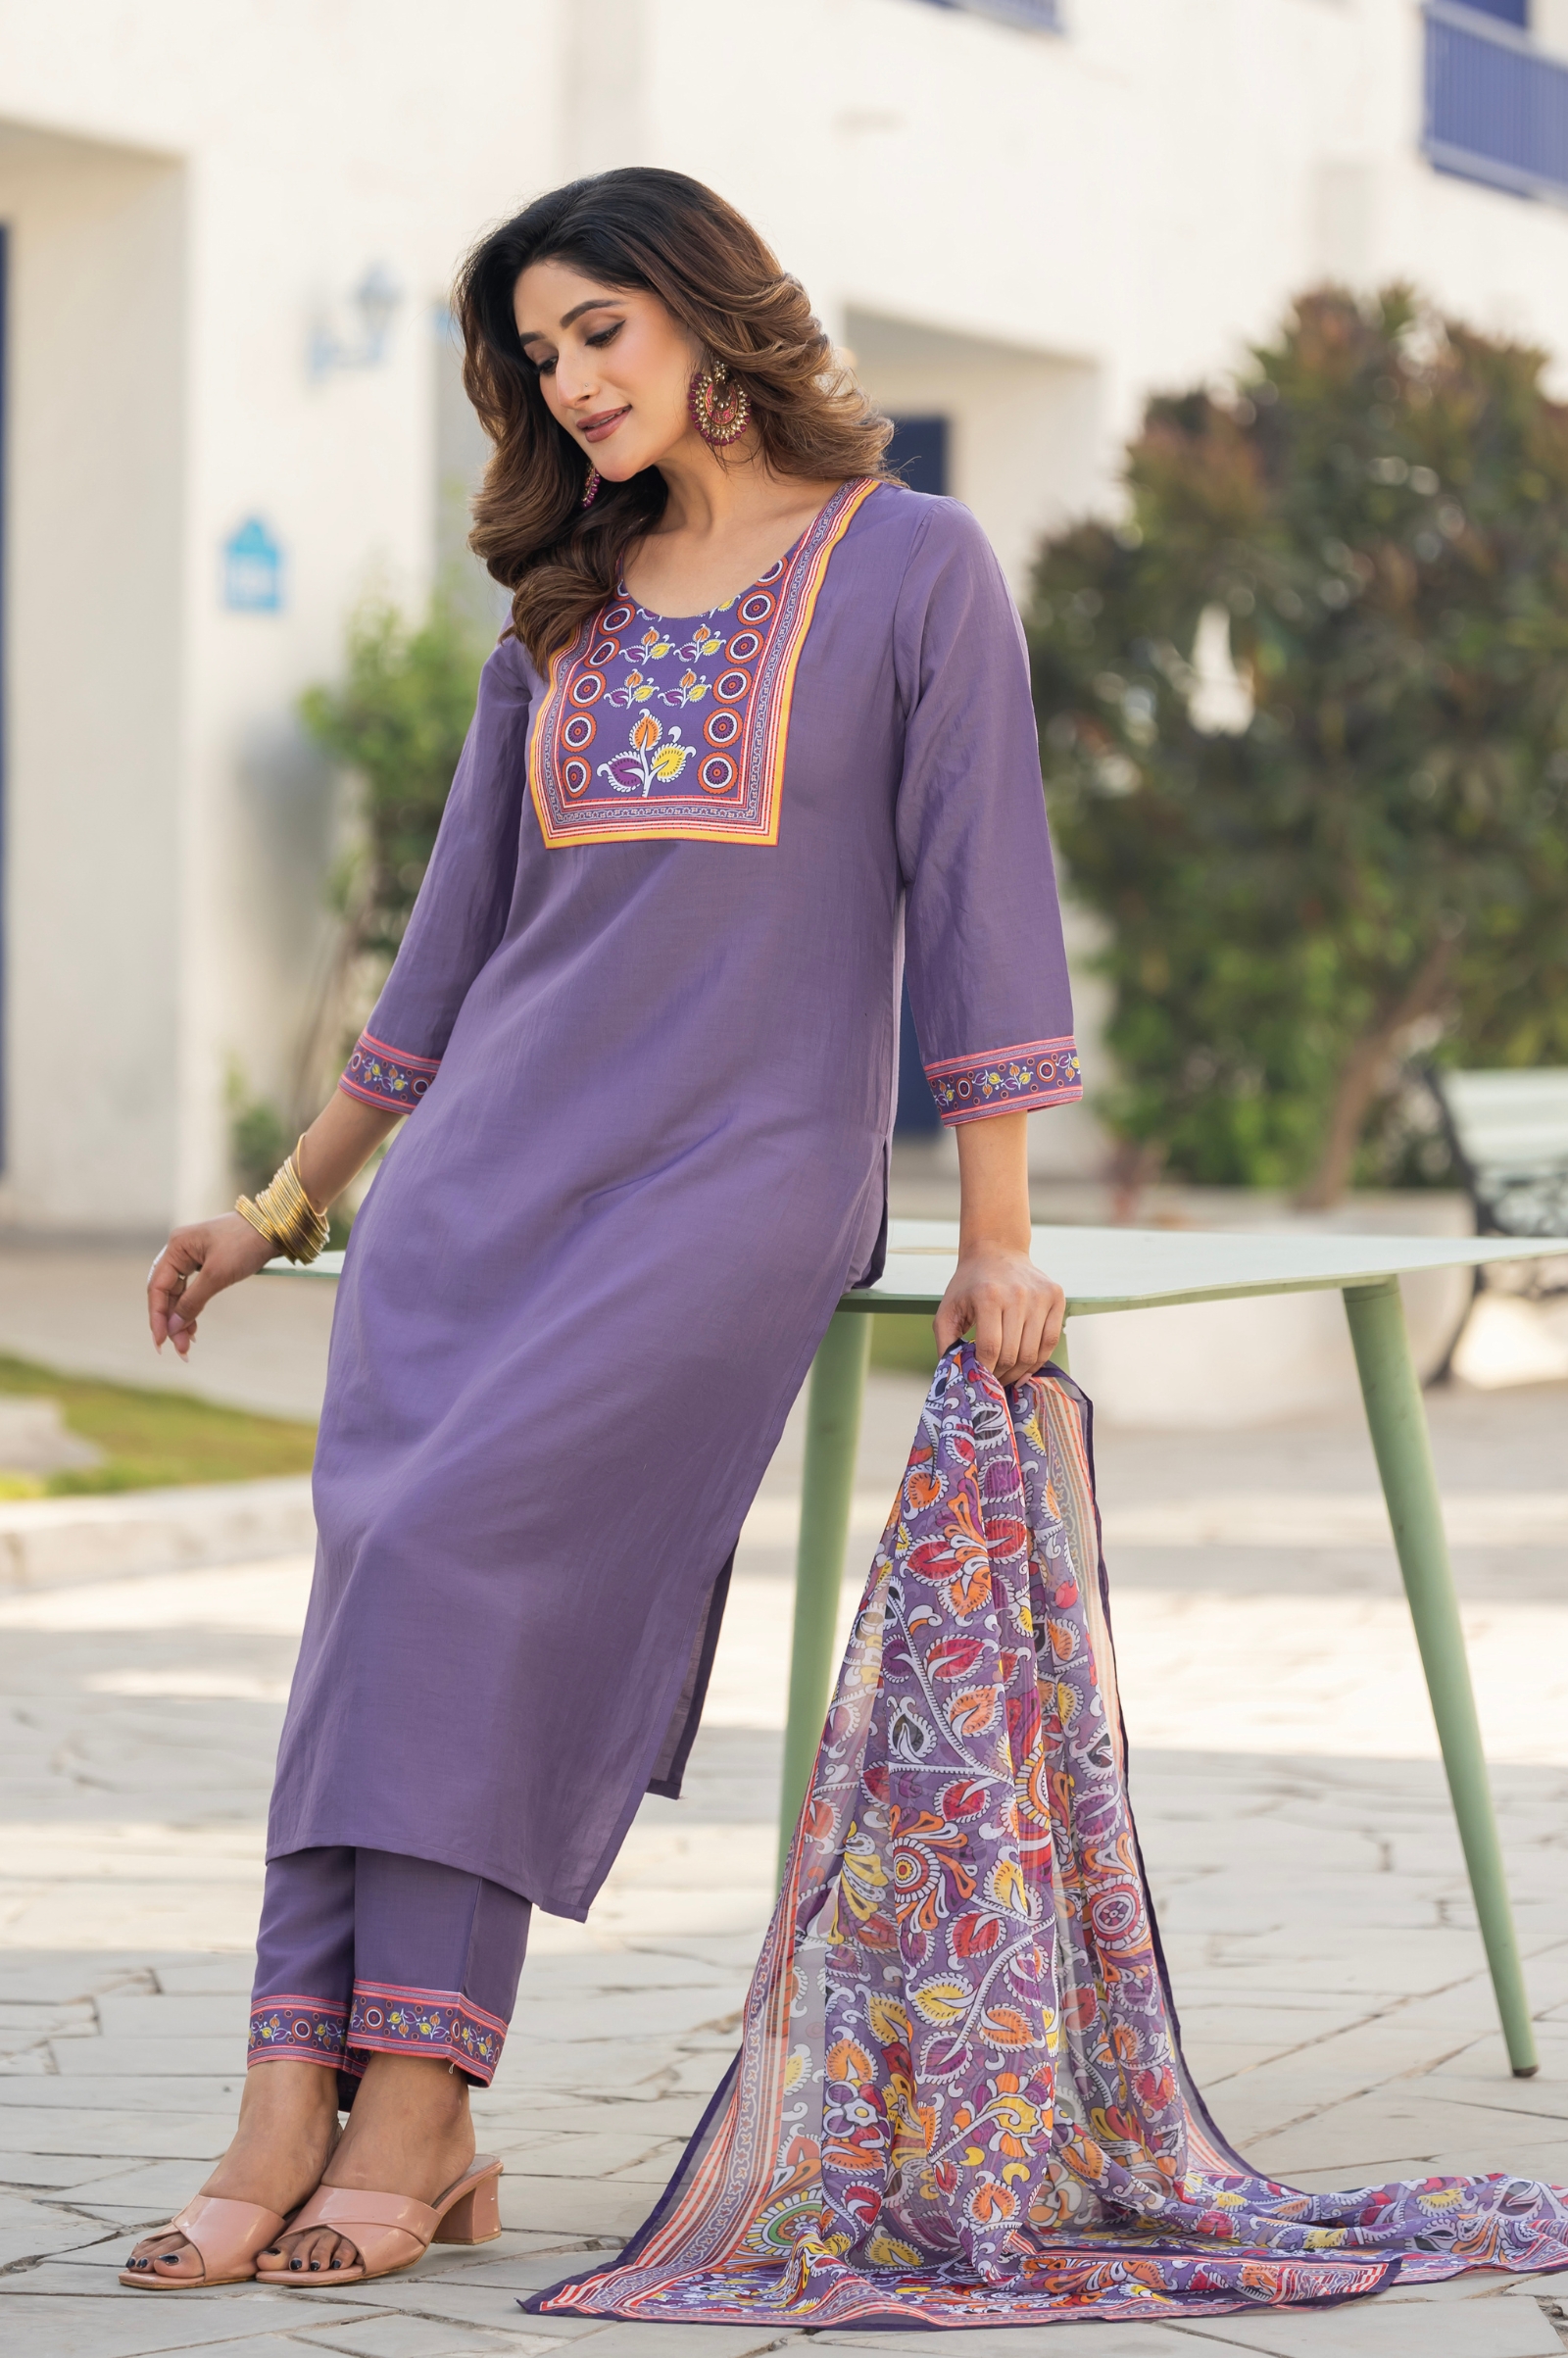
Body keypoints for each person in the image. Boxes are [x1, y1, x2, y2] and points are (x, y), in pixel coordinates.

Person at [123, 167, 1080, 2292]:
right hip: (478, 1189)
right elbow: (447, 954)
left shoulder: (911, 566)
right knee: (384, 1572)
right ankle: (307, 2096)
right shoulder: (561, 611)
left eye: (596, 333)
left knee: (452, 1554)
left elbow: (981, 895)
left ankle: (412, 2096)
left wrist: (997, 1224)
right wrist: (284, 1203)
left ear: (712, 314)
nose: (565, 383)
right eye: (536, 355)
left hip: (736, 1181)